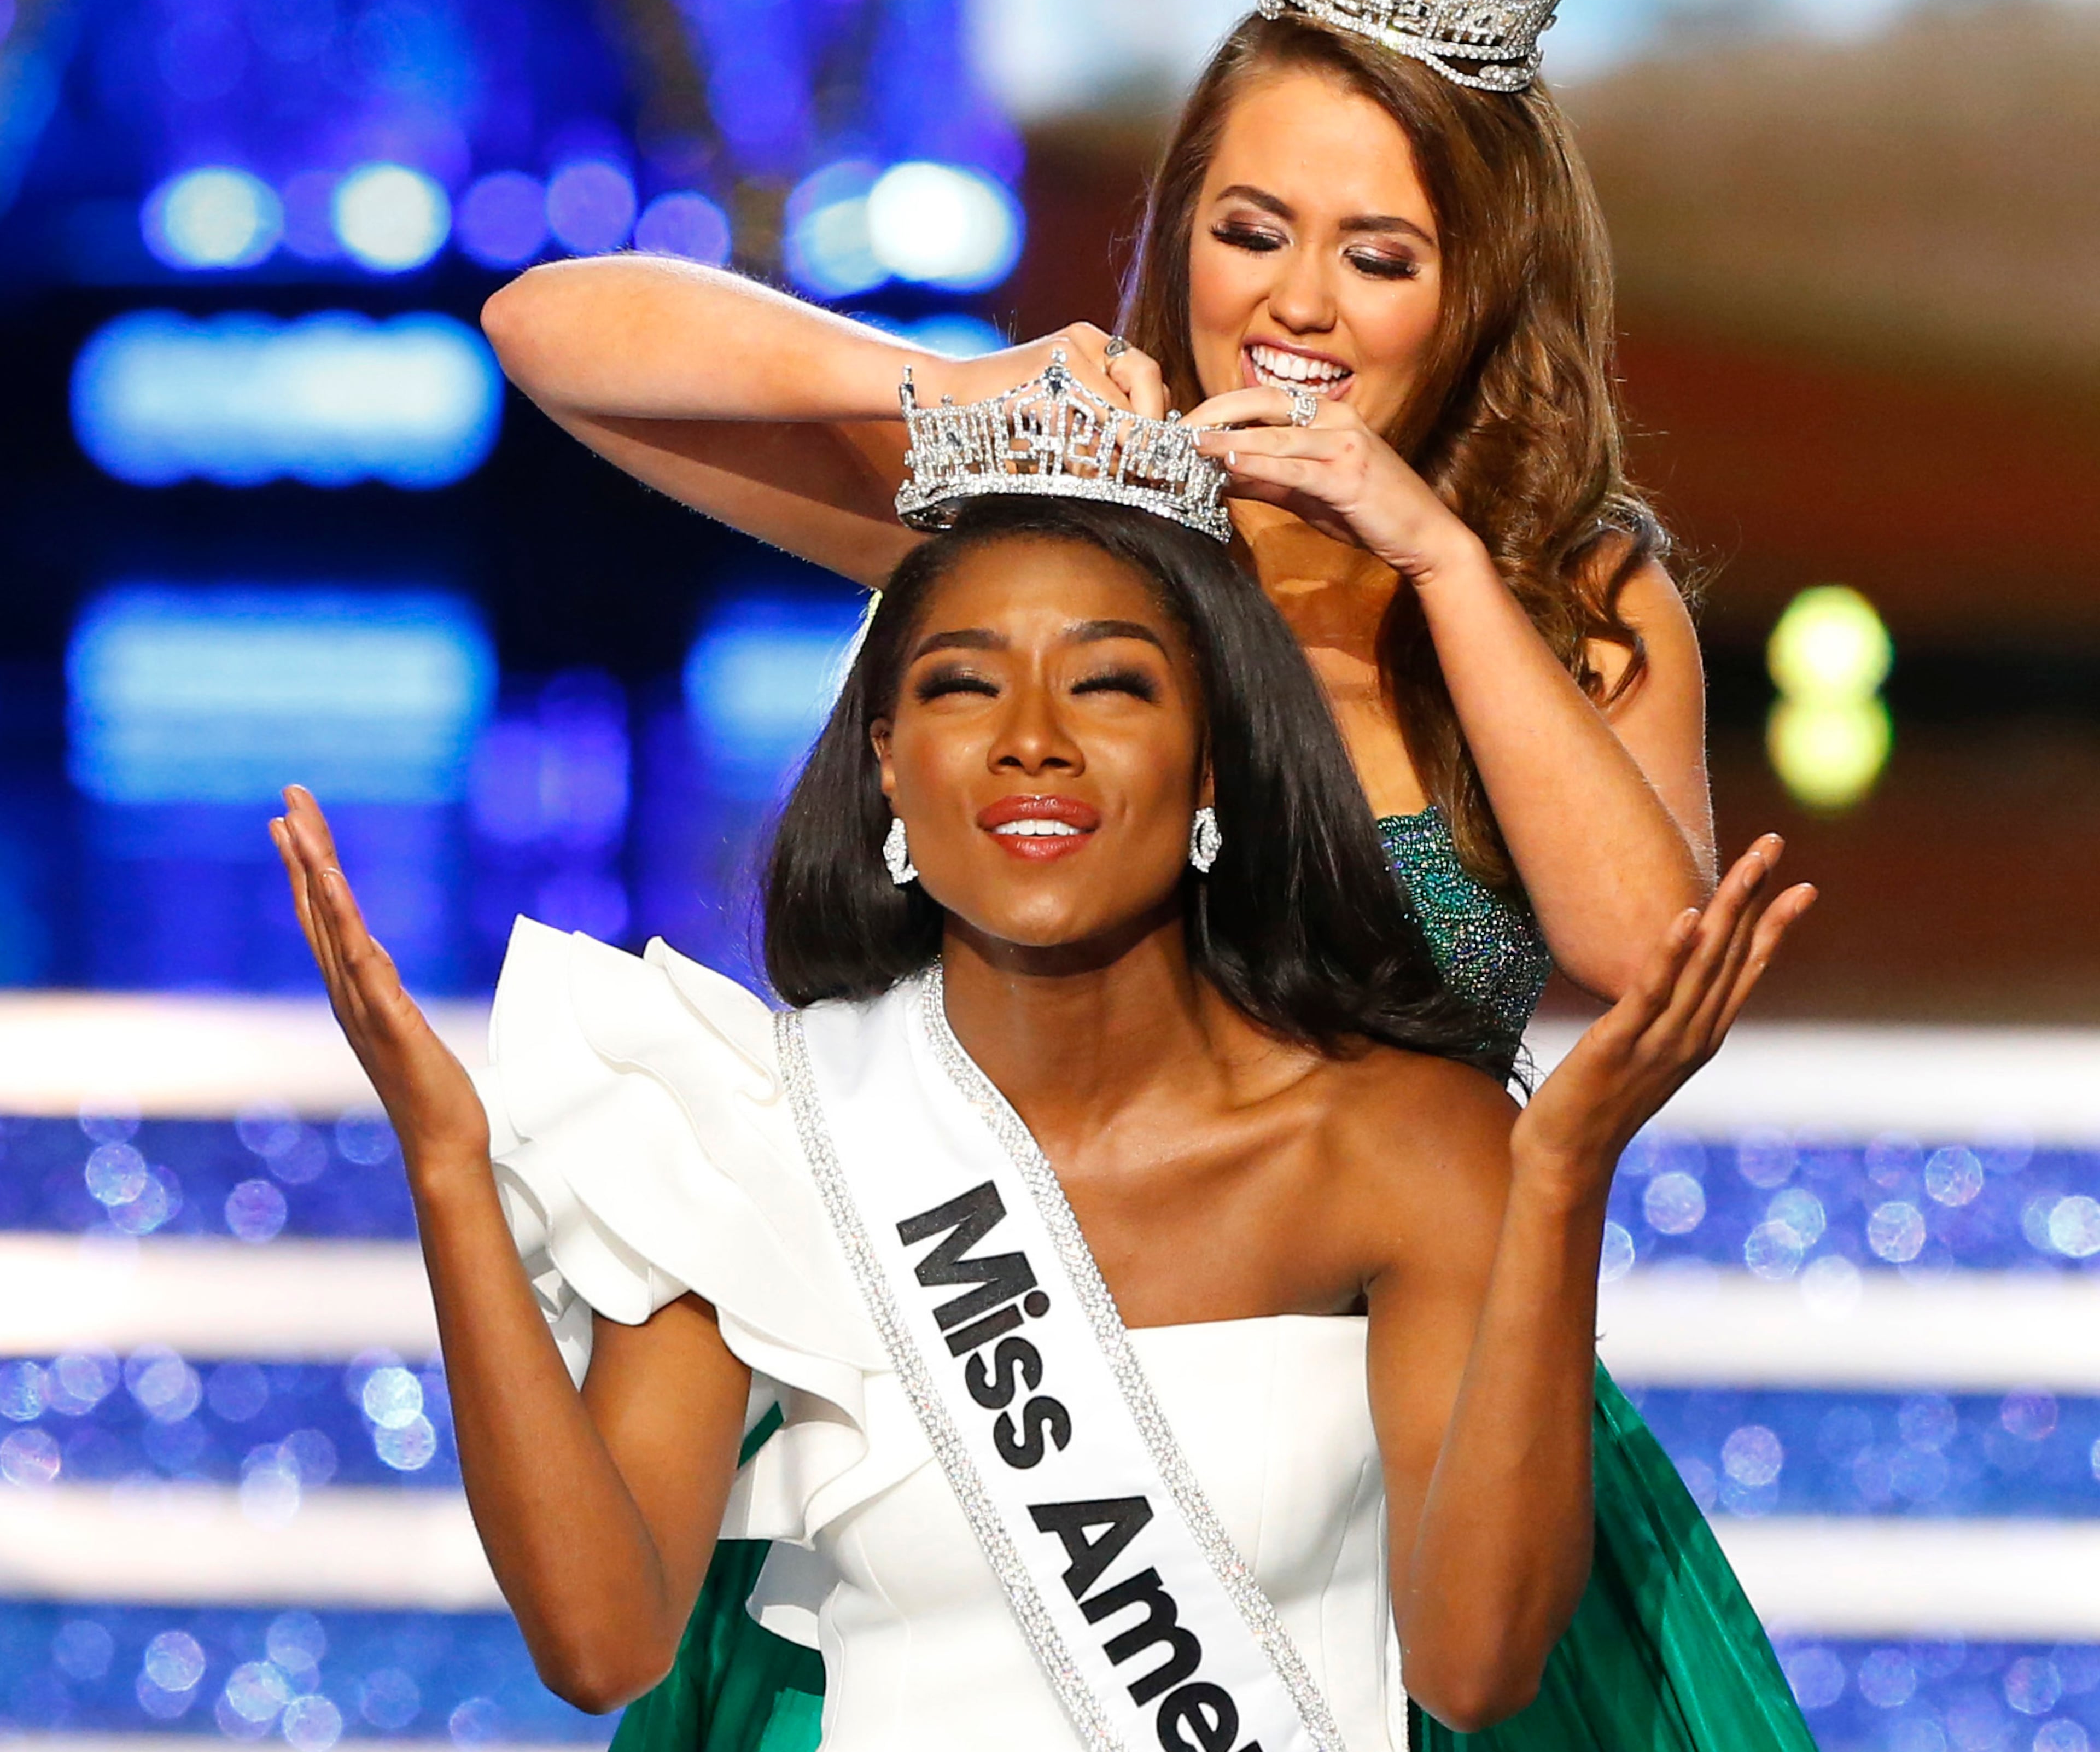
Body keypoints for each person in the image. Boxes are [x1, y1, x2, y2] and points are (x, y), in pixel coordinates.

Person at [476, 0, 1783, 1751]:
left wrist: (1432, 556)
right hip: (992, 1424)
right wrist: (953, 391)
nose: (1298, 303)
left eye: (1381, 256)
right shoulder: (1059, 527)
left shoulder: (1568, 594)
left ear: (1478, 287)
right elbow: (552, 333)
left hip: (1413, 1465)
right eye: (1252, 231)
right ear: (1182, 235)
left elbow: (1654, 960)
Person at [271, 491, 1812, 1751]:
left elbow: (1477, 1669)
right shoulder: (754, 1122)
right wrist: (448, 1170)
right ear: (886, 761)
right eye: (962, 684)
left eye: (1110, 683)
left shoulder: (1400, 1141)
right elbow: (602, 1642)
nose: (1031, 738)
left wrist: (1562, 1181)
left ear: (1213, 765)